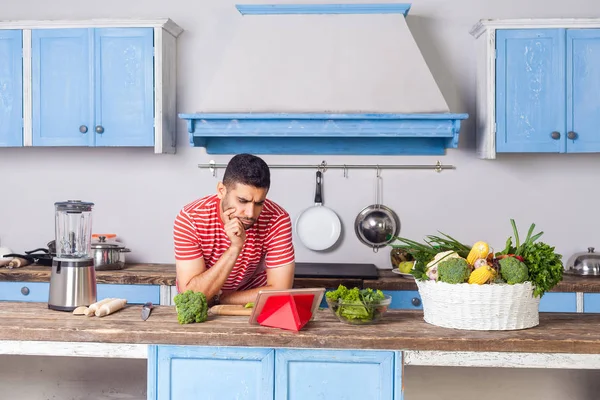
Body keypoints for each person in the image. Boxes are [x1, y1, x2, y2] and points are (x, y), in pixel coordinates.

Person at [173, 153, 295, 305]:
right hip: (203, 306)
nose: (251, 213)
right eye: (242, 201)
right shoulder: (190, 219)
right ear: (221, 191)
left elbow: (280, 290)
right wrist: (235, 247)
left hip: (251, 304)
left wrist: (220, 298)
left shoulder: (277, 219)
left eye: (259, 203)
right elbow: (191, 298)